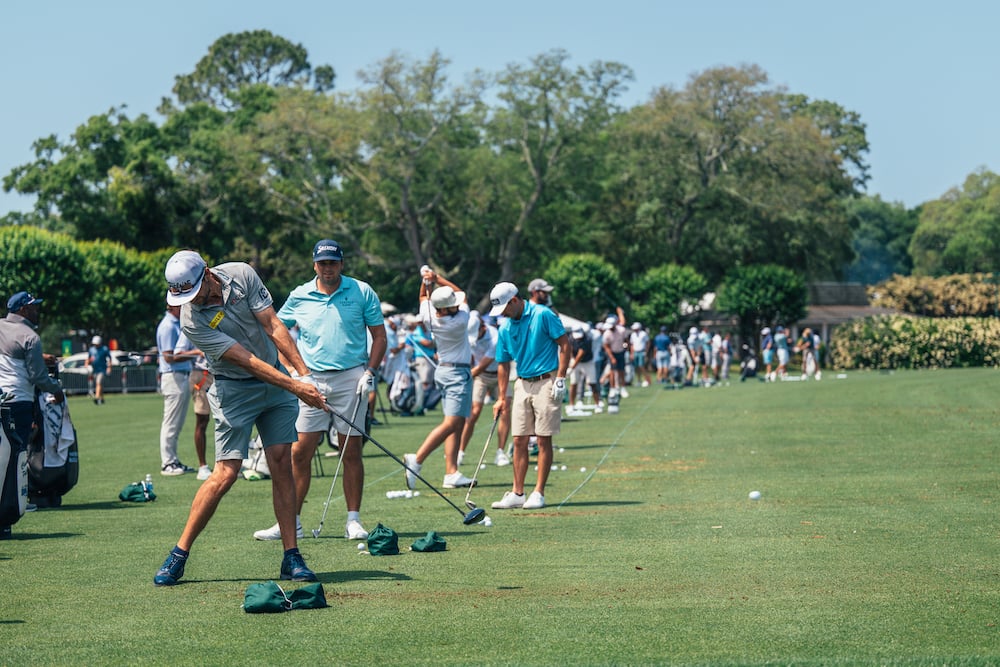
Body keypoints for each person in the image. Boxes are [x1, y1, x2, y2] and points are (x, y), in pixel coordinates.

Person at [153, 250, 326, 586]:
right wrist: (295, 386)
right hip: (234, 390)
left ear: (207, 272)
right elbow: (244, 360)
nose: (193, 299)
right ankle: (179, 553)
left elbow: (272, 324)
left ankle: (291, 556)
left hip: (275, 382)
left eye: (195, 290)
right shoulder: (191, 319)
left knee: (280, 461)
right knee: (226, 473)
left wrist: (305, 377)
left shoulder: (242, 274)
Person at [252, 239, 386, 542]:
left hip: (352, 377)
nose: (328, 268)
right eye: (323, 263)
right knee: (299, 452)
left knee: (350, 450)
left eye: (333, 263)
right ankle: (291, 522)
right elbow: (277, 331)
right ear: (314, 264)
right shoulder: (300, 295)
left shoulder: (362, 291)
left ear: (341, 263)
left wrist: (370, 372)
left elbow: (379, 336)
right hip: (310, 379)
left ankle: (353, 519)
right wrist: (296, 373)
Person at [488, 282, 572, 510]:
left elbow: (564, 345)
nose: (503, 314)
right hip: (522, 384)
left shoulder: (543, 314)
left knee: (543, 438)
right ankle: (517, 492)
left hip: (547, 381)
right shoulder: (505, 327)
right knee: (519, 440)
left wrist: (561, 377)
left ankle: (539, 492)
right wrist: (501, 397)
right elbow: (503, 364)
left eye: (505, 308)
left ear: (515, 300)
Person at [404, 268, 477, 490]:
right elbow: (462, 293)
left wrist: (425, 281)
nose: (456, 305)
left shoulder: (429, 316)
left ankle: (451, 472)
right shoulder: (460, 320)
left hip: (445, 371)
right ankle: (416, 460)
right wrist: (437, 279)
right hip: (456, 374)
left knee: (457, 422)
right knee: (453, 423)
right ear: (445, 308)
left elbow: (423, 297)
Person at [0, 291, 64, 540]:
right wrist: (56, 390)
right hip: (19, 403)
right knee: (17, 457)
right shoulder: (30, 336)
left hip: (1, 400)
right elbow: (38, 376)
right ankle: (13, 504)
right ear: (24, 310)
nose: (37, 310)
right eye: (33, 307)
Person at [458, 312, 511, 467]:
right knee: (473, 413)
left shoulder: (495, 337)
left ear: (483, 327)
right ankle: (460, 452)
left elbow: (483, 365)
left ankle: (500, 452)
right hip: (482, 377)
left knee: (505, 411)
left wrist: (464, 377)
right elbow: (471, 358)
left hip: (500, 374)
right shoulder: (469, 334)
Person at [156, 303, 196, 476]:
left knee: (177, 424)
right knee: (171, 422)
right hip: (173, 376)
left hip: (180, 376)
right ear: (172, 307)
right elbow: (169, 357)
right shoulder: (167, 326)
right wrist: (196, 353)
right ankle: (168, 463)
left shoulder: (175, 324)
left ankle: (173, 460)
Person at [176, 332, 213, 480]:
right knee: (202, 421)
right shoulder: (191, 326)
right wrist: (198, 352)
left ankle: (230, 462)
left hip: (223, 372)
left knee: (230, 421)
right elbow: (177, 354)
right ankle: (202, 466)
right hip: (202, 375)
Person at [87, 335, 111, 405]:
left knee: (98, 383)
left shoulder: (105, 349)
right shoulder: (91, 350)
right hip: (95, 370)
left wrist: (109, 367)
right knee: (99, 385)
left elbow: (109, 358)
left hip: (102, 369)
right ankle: (102, 398)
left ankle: (97, 397)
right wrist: (88, 363)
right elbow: (88, 359)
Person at [630, 322, 652, 388]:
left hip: (642, 351)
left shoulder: (643, 334)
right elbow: (632, 345)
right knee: (637, 367)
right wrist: (632, 353)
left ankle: (647, 380)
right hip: (635, 352)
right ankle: (639, 380)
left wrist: (646, 352)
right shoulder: (633, 335)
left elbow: (648, 343)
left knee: (641, 366)